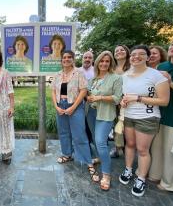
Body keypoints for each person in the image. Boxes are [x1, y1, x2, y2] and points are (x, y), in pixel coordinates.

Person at [119, 45, 170, 197]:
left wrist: (138, 98)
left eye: (141, 54)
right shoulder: (125, 75)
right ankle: (128, 169)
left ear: (148, 58)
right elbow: (125, 95)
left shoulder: (156, 75)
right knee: (130, 144)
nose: (136, 57)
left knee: (142, 150)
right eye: (133, 54)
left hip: (147, 117)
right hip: (129, 116)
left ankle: (141, 178)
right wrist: (124, 101)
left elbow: (164, 101)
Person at [51, 50, 99, 184]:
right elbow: (53, 91)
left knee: (79, 134)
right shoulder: (58, 75)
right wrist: (56, 106)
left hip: (75, 106)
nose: (66, 59)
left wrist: (73, 107)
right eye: (64, 57)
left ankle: (88, 161)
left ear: (73, 59)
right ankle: (67, 154)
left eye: (69, 57)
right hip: (61, 105)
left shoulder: (79, 73)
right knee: (64, 132)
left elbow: (84, 90)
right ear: (61, 60)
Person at [86, 51, 123, 191]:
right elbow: (89, 93)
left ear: (110, 63)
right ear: (97, 63)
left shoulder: (116, 78)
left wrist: (99, 98)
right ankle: (101, 158)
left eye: (107, 61)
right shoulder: (93, 79)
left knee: (101, 142)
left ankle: (106, 174)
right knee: (96, 141)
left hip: (105, 114)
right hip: (91, 112)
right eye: (101, 61)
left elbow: (117, 98)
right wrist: (89, 97)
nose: (104, 63)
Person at [148, 37, 173, 192]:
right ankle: (155, 174)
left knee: (172, 151)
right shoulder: (162, 66)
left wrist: (170, 82)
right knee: (157, 147)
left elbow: (168, 84)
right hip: (160, 113)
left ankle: (170, 183)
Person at [110, 45, 131, 158]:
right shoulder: (112, 68)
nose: (119, 52)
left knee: (128, 126)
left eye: (122, 50)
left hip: (129, 101)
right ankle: (118, 147)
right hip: (114, 101)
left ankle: (130, 147)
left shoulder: (132, 67)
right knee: (116, 124)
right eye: (116, 50)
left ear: (127, 52)